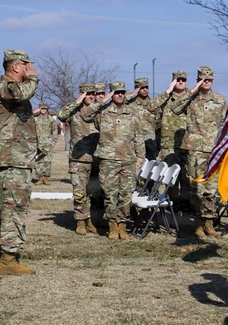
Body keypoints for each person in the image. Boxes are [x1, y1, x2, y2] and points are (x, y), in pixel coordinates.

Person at [0, 49, 38, 275]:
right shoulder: (6, 87)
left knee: (11, 207)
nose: (30, 69)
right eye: (26, 65)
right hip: (10, 158)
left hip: (14, 158)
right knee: (13, 208)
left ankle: (9, 254)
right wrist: (34, 77)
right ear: (16, 67)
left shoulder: (11, 89)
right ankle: (8, 260)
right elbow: (21, 93)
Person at [81, 81, 145, 239]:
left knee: (126, 194)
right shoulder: (102, 113)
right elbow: (86, 115)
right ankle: (112, 227)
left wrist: (140, 157)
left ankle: (122, 226)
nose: (120, 95)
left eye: (123, 92)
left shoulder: (132, 113)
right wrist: (102, 101)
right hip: (108, 160)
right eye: (117, 92)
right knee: (110, 194)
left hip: (128, 160)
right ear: (111, 93)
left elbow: (139, 137)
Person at [171, 66, 227, 238]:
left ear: (213, 80)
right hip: (195, 150)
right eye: (203, 80)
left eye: (209, 79)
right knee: (197, 188)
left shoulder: (219, 100)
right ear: (198, 81)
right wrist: (192, 91)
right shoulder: (190, 99)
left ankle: (209, 223)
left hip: (213, 149)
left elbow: (224, 123)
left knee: (211, 189)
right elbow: (175, 109)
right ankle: (197, 224)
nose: (207, 82)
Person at [57, 83, 100, 235]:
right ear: (81, 94)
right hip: (78, 159)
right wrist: (77, 101)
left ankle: (89, 220)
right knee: (79, 192)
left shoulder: (97, 111)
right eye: (87, 94)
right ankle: (80, 222)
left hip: (96, 158)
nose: (91, 96)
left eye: (93, 94)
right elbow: (60, 115)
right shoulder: (73, 111)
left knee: (92, 193)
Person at [148, 71, 191, 201]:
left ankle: (185, 210)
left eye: (183, 79)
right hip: (169, 146)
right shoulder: (165, 99)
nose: (181, 82)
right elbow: (151, 107)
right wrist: (167, 91)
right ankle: (174, 208)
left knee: (186, 180)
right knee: (171, 181)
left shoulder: (192, 97)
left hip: (186, 145)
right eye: (178, 80)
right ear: (173, 81)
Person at [126, 78, 158, 160]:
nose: (145, 90)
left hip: (151, 142)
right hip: (135, 143)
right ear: (137, 88)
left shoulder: (154, 104)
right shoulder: (130, 104)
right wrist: (131, 94)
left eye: (146, 87)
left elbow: (159, 122)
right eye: (142, 88)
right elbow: (118, 102)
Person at [33, 102, 58, 185]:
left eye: (45, 109)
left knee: (47, 161)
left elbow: (55, 131)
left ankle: (46, 178)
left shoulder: (50, 119)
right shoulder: (35, 119)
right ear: (39, 109)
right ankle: (40, 178)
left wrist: (54, 141)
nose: (43, 110)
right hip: (38, 143)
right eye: (42, 108)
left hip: (48, 143)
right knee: (39, 161)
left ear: (47, 109)